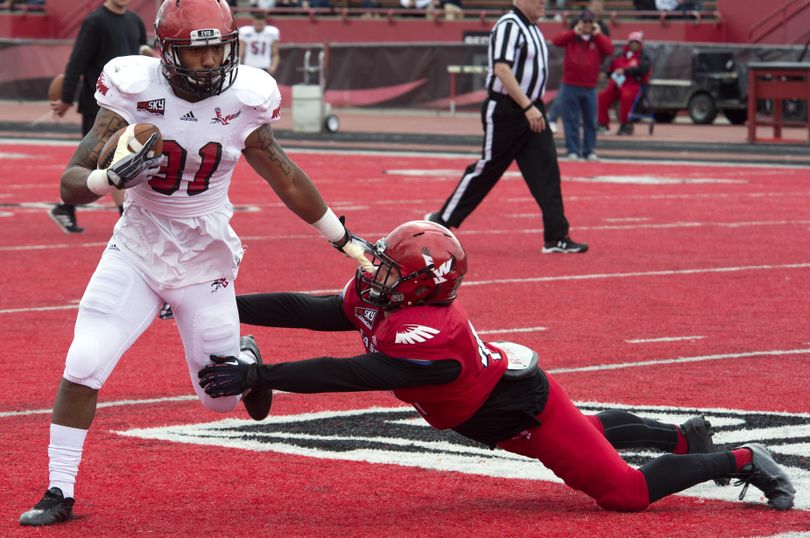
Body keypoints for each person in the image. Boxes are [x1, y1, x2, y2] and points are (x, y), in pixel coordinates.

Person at [19, 0, 369, 527]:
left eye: (216, 48)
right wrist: (107, 180)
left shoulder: (247, 97)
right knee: (84, 361)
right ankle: (59, 488)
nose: (208, 62)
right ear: (165, 53)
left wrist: (342, 239)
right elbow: (70, 180)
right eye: (196, 50)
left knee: (217, 400)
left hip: (205, 252)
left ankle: (247, 364)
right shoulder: (133, 88)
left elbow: (283, 173)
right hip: (137, 244)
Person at [197, 220, 795, 513]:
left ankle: (744, 459)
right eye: (378, 264)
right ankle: (680, 436)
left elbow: (352, 375)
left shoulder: (425, 332)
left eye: (389, 272)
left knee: (623, 492)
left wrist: (263, 375)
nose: (372, 276)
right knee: (583, 435)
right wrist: (220, 301)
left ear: (420, 289)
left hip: (515, 409)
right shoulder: (398, 301)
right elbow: (314, 310)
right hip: (494, 402)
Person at [425, 0, 587, 254]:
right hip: (509, 110)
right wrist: (526, 106)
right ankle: (440, 220)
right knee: (487, 169)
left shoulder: (533, 28)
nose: (543, 3)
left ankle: (557, 236)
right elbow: (502, 68)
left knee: (547, 171)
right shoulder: (508, 25)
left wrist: (533, 106)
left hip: (532, 109)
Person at [49, 0, 154, 234]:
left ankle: (68, 209)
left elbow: (139, 52)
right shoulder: (95, 21)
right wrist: (67, 97)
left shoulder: (134, 21)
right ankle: (69, 207)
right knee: (99, 159)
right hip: (98, 103)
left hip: (129, 103)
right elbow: (77, 60)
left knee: (120, 158)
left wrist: (146, 51)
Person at [551, 9, 613, 160]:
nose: (587, 25)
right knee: (570, 119)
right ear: (579, 23)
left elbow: (609, 49)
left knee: (590, 121)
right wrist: (574, 32)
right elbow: (556, 41)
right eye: (584, 22)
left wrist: (598, 34)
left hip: (590, 87)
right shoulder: (572, 37)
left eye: (590, 22)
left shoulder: (597, 40)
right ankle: (572, 150)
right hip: (570, 85)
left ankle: (589, 150)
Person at [597, 31, 651, 136]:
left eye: (637, 42)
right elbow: (611, 69)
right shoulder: (620, 55)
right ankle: (602, 124)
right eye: (632, 42)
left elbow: (643, 70)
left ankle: (626, 124)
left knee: (626, 97)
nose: (634, 45)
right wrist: (605, 73)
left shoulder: (643, 57)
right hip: (617, 84)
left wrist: (626, 71)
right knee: (602, 97)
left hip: (633, 84)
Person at [239, 10, 281, 77]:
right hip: (249, 66)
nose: (258, 25)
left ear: (265, 22)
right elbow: (240, 53)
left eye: (260, 24)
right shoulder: (245, 32)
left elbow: (275, 53)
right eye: (257, 23)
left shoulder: (272, 33)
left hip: (265, 67)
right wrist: (239, 66)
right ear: (253, 22)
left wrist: (273, 66)